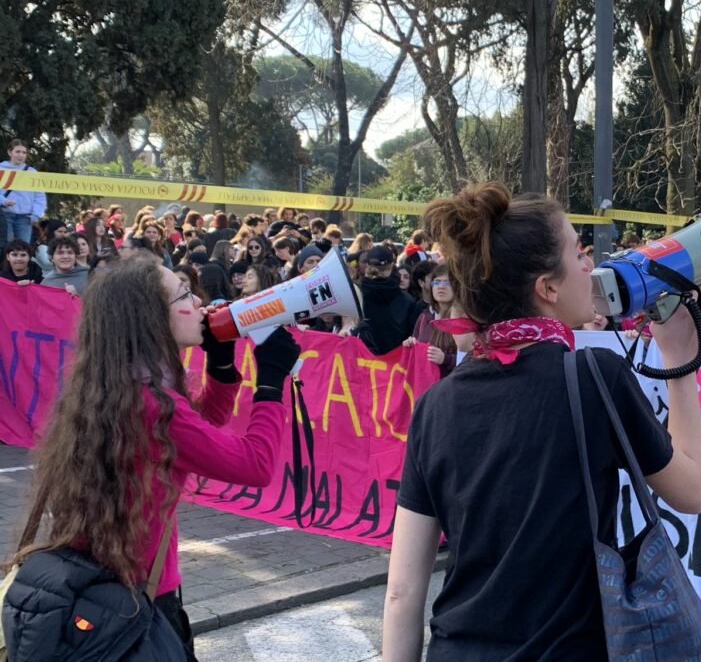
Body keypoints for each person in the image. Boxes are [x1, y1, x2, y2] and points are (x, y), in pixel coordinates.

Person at [382, 183, 701, 660]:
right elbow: (693, 490)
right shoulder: (596, 376)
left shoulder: (436, 404)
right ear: (547, 288)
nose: (589, 266)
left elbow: (401, 592)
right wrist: (680, 362)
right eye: (578, 252)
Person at [5, 255, 300, 660]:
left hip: (106, 586)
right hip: (136, 605)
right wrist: (270, 384)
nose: (199, 303)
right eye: (185, 295)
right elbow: (255, 465)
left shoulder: (122, 384)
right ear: (151, 320)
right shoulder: (152, 404)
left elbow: (201, 427)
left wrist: (222, 363)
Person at [354, 245, 422, 355]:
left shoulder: (357, 295)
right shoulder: (408, 301)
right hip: (394, 366)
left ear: (367, 265)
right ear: (391, 266)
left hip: (361, 361)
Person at [404, 264, 459, 378]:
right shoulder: (424, 316)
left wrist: (446, 359)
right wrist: (410, 344)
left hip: (450, 386)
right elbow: (415, 350)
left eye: (447, 282)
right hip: (426, 386)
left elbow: (471, 359)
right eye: (437, 282)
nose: (441, 287)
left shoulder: (462, 319)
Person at [1, 139, 46, 242]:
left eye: (24, 152)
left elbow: (39, 195)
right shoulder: (1, 169)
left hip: (25, 217)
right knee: (5, 246)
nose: (21, 155)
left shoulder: (32, 172)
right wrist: (2, 200)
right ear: (9, 152)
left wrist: (36, 214)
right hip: (4, 214)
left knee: (24, 246)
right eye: (17, 152)